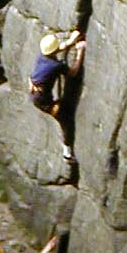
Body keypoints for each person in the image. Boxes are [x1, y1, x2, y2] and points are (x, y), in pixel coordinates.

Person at [28, 29, 86, 162]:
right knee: (66, 122)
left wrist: (71, 41)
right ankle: (67, 153)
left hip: (36, 93)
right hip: (43, 102)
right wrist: (80, 52)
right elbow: (73, 72)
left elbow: (56, 50)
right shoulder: (54, 66)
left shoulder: (42, 56)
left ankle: (67, 152)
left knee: (63, 110)